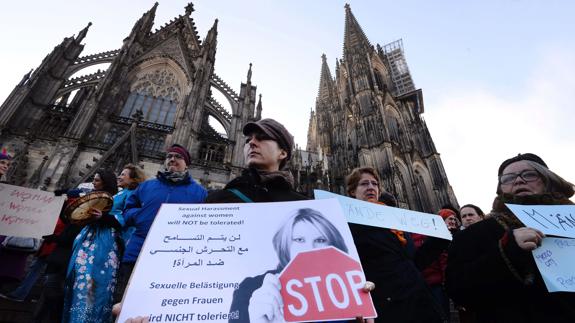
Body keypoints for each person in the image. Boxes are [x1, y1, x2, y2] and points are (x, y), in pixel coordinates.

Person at [445, 153, 575, 322]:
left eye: (529, 174)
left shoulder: (570, 222)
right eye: (508, 178)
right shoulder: (477, 233)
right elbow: (457, 289)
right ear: (501, 188)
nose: (519, 181)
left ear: (548, 180)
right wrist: (506, 251)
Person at [346, 167, 447, 323]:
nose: (371, 187)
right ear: (353, 191)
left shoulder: (396, 221)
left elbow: (413, 261)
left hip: (418, 300)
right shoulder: (348, 223)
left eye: (375, 184)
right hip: (385, 303)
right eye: (364, 184)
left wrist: (440, 239)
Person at [114, 144, 207, 304]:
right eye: (169, 156)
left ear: (187, 163)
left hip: (174, 260)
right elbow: (128, 207)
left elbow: (205, 224)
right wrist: (139, 216)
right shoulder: (147, 186)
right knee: (123, 305)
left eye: (178, 157)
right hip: (137, 253)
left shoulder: (199, 192)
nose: (172, 159)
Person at [230, 208, 349, 323]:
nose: (310, 249)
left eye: (320, 240)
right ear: (285, 245)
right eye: (299, 240)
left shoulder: (347, 285)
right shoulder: (252, 288)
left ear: (333, 245)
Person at [62, 169, 122, 323]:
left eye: (96, 180)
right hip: (86, 241)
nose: (93, 183)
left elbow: (121, 221)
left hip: (103, 244)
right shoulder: (89, 195)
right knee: (78, 282)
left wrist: (103, 217)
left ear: (105, 182)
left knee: (94, 283)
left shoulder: (119, 197)